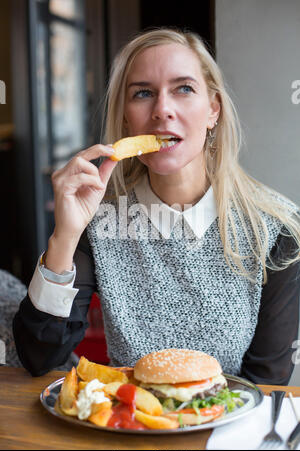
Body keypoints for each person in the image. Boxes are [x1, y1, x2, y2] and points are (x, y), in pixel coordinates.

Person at [13, 28, 300, 383]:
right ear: (125, 119)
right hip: (127, 426)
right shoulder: (99, 221)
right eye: (143, 93)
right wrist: (65, 235)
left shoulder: (275, 229)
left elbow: (267, 383)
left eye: (184, 89)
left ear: (213, 110)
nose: (162, 110)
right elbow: (39, 356)